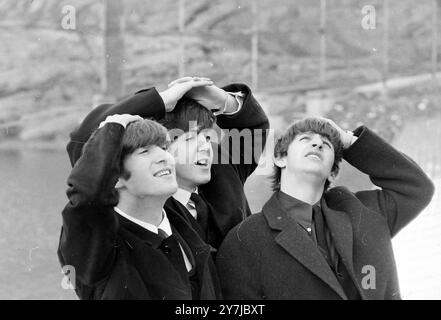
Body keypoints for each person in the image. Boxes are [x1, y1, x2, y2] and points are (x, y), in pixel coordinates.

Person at [216, 117, 434, 300]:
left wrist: (349, 140)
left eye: (326, 144)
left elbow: (417, 188)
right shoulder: (244, 239)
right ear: (281, 158)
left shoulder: (364, 211)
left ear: (332, 172)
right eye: (305, 139)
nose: (317, 144)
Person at [66, 76, 269, 250]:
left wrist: (224, 101)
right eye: (189, 138)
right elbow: (85, 142)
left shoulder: (224, 170)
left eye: (207, 137)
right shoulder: (140, 199)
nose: (205, 147)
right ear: (159, 147)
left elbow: (253, 128)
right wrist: (160, 101)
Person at [58, 114, 221, 300]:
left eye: (163, 147)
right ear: (114, 177)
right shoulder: (101, 246)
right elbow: (86, 195)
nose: (164, 157)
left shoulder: (185, 222)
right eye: (144, 151)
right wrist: (114, 126)